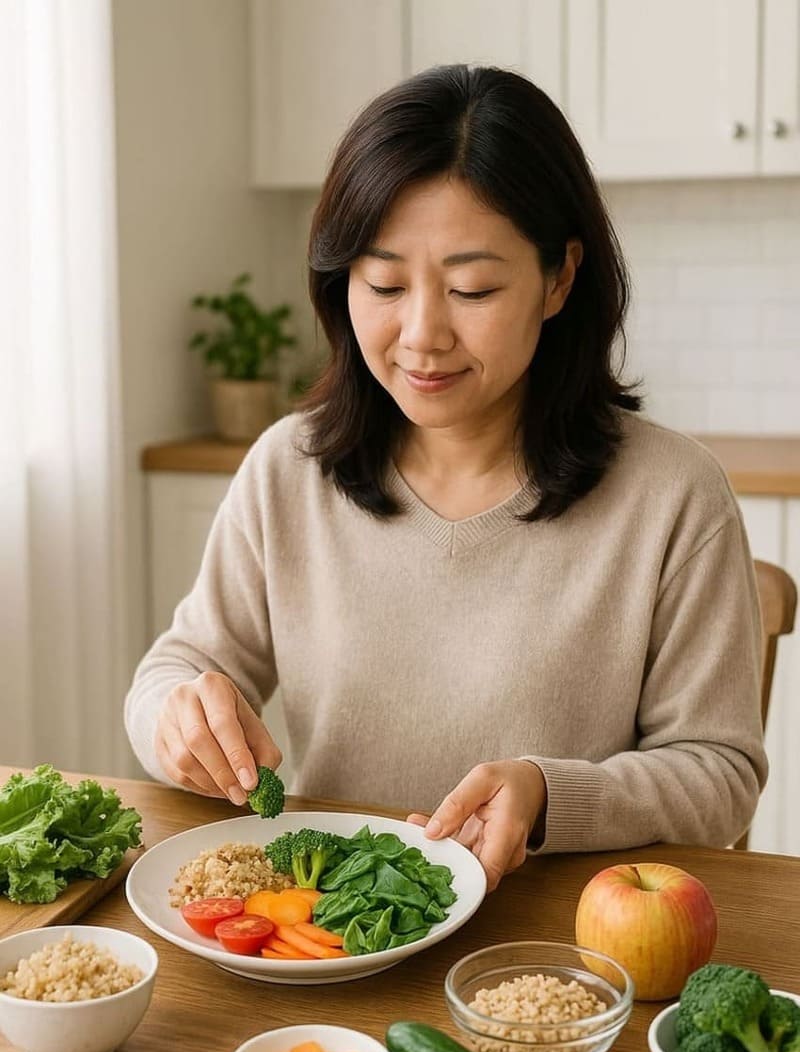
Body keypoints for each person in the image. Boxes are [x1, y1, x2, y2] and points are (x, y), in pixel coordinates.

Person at [125, 64, 767, 891]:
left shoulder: (673, 494)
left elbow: (719, 774)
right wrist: (178, 716)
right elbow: (172, 671)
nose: (423, 334)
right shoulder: (289, 469)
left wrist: (549, 796)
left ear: (560, 278)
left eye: (472, 288)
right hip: (328, 926)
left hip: (555, 938)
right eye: (385, 284)